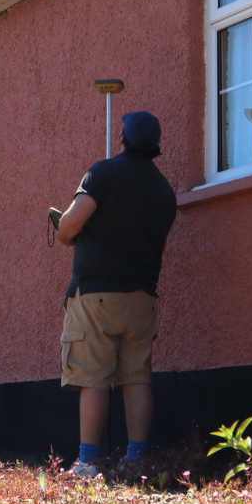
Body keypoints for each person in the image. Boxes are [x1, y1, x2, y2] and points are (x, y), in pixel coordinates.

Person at [52, 111, 177, 478]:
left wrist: (62, 227)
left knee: (92, 376)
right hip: (143, 297)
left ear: (121, 137)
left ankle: (88, 462)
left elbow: (70, 226)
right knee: (136, 377)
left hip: (96, 295)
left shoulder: (102, 173)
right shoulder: (164, 191)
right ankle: (137, 457)